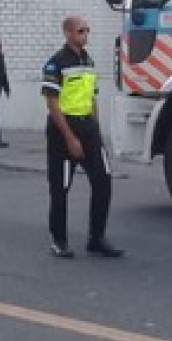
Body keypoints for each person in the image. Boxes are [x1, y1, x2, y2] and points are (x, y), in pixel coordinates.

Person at [40, 16, 122, 259]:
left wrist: (96, 130)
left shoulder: (88, 61)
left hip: (88, 128)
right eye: (80, 31)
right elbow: (52, 103)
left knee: (103, 182)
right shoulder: (56, 64)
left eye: (87, 30)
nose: (85, 34)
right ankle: (59, 240)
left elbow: (91, 98)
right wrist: (69, 138)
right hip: (64, 128)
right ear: (67, 33)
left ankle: (96, 238)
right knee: (60, 188)